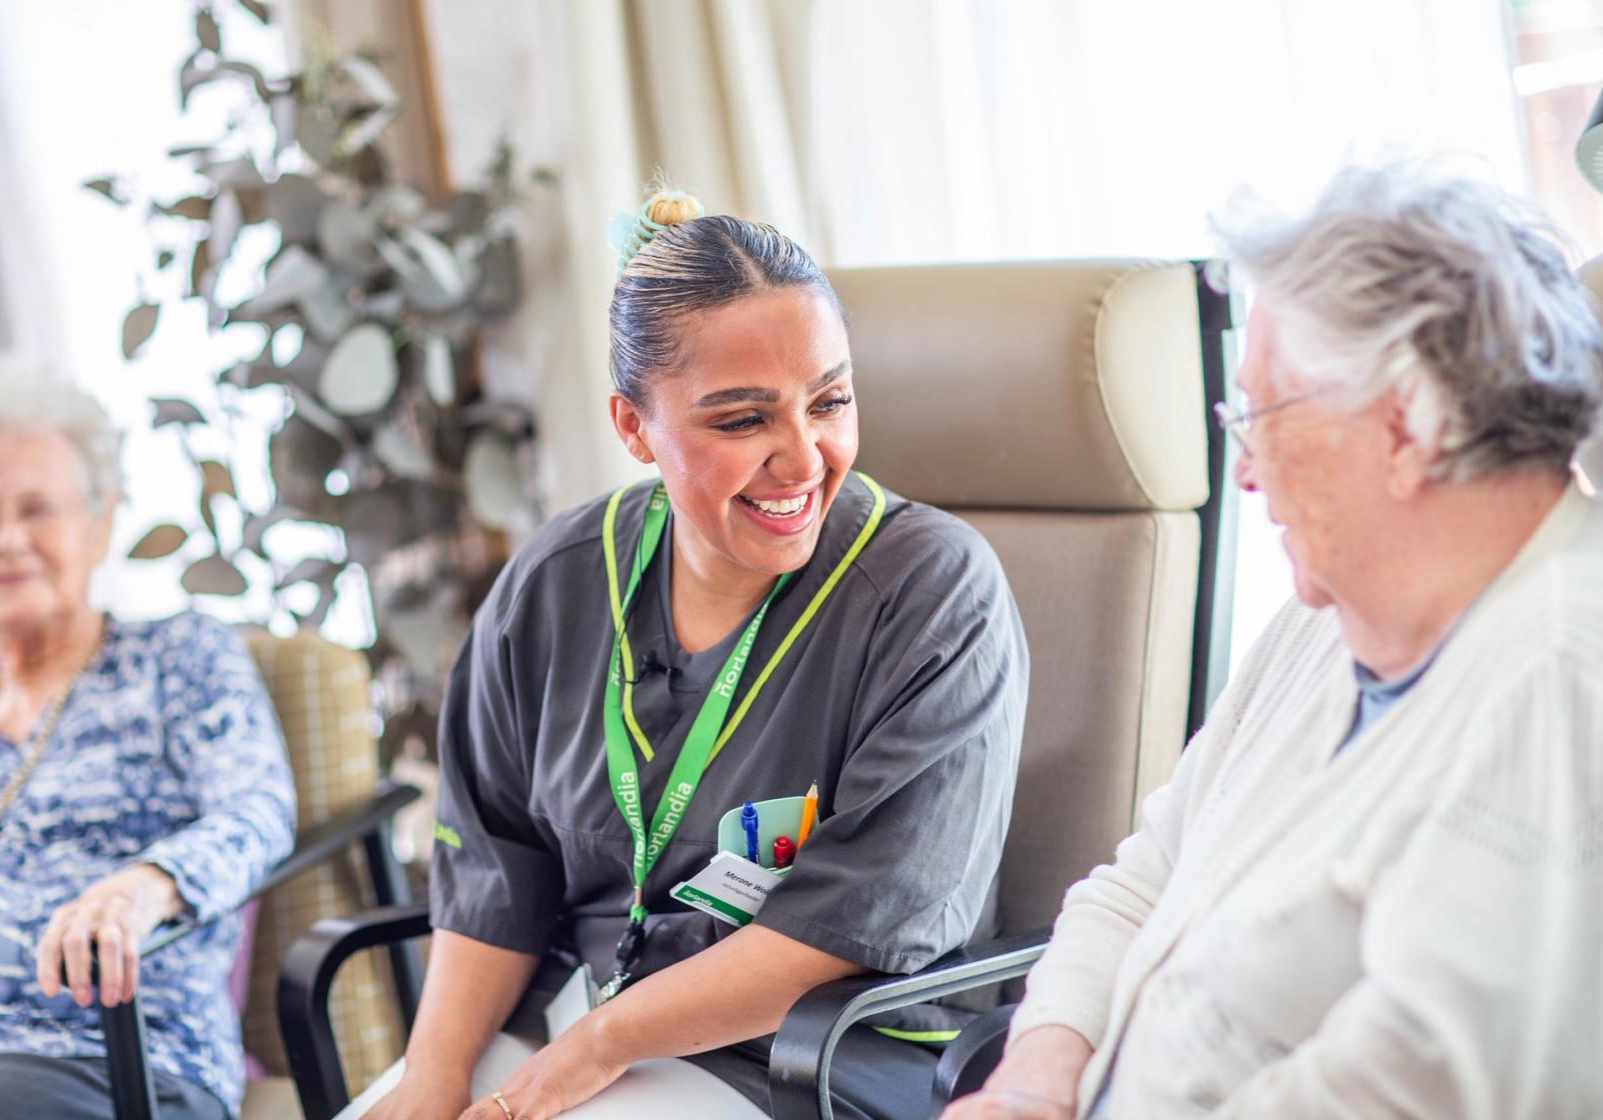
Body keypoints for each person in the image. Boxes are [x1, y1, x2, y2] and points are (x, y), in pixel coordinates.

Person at [945, 166, 1603, 1120]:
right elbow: (1139, 884)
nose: (1245, 472)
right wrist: (1033, 1083)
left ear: (1407, 423)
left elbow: (1412, 1086)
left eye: (1263, 416)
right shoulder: (1322, 622)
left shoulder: (1560, 679)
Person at [354, 191, 1029, 1120]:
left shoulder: (932, 593)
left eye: (830, 401)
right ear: (633, 427)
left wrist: (598, 1046)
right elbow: (494, 870)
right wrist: (427, 1079)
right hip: (582, 1020)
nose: (803, 460)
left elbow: (860, 917)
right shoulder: (555, 583)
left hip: (818, 1055)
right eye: (743, 421)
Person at [0, 377, 296, 1120]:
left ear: (101, 522)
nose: (7, 540)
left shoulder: (177, 658)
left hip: (102, 1054)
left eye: (37, 509)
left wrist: (146, 884)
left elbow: (258, 808)